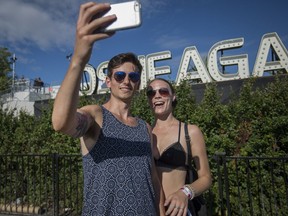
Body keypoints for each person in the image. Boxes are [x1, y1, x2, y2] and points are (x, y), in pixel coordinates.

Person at [52, 2, 164, 216]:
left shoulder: (145, 128)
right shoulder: (96, 115)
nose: (126, 81)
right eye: (119, 76)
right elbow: (60, 123)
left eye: (133, 77)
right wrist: (79, 59)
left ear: (138, 83)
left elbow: (153, 179)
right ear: (108, 81)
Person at [146, 78, 212, 216]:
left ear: (173, 96)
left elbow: (206, 178)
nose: (157, 95)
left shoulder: (190, 132)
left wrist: (185, 193)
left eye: (163, 91)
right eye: (151, 93)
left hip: (178, 212)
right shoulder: (143, 133)